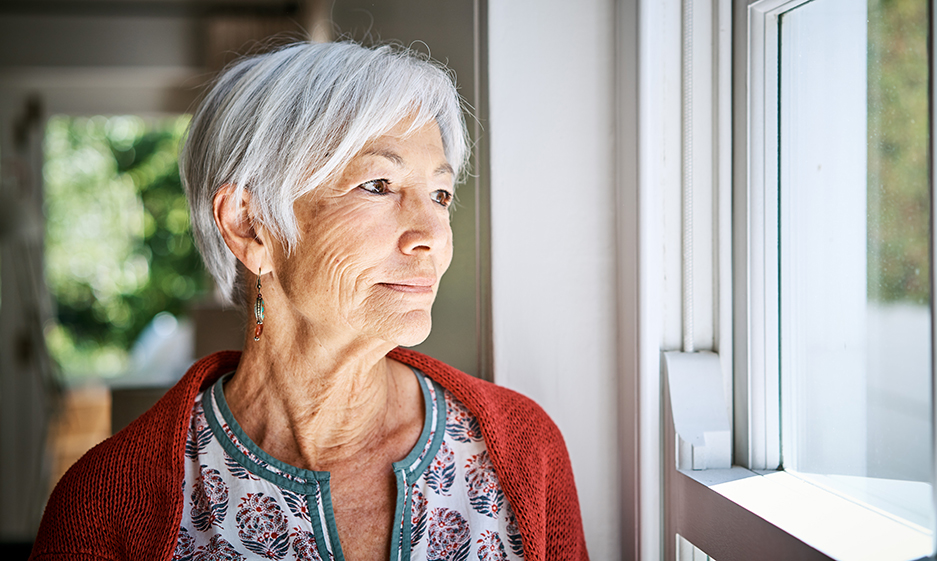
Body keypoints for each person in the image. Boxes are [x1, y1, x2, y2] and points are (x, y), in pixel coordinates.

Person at [31, 42, 588, 561]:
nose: (433, 235)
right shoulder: (101, 509)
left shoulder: (523, 449)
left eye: (440, 194)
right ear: (252, 227)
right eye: (379, 185)